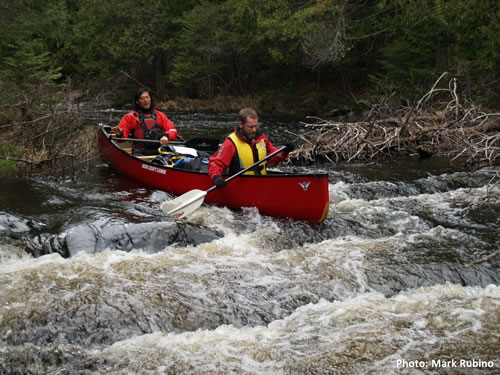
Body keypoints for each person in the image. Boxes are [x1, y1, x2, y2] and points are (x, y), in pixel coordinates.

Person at [208, 108, 295, 188]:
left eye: (256, 126)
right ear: (241, 124)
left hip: (261, 182)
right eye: (250, 127)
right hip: (240, 185)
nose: (254, 130)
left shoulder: (261, 138)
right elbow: (215, 163)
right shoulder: (231, 143)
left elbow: (273, 158)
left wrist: (285, 151)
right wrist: (216, 178)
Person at [110, 87, 178, 155]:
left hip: (159, 151)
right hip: (140, 152)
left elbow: (173, 130)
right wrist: (120, 134)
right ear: (137, 101)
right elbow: (121, 140)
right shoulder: (130, 117)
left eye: (147, 97)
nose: (146, 100)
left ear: (150, 99)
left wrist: (166, 136)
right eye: (142, 98)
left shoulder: (159, 115)